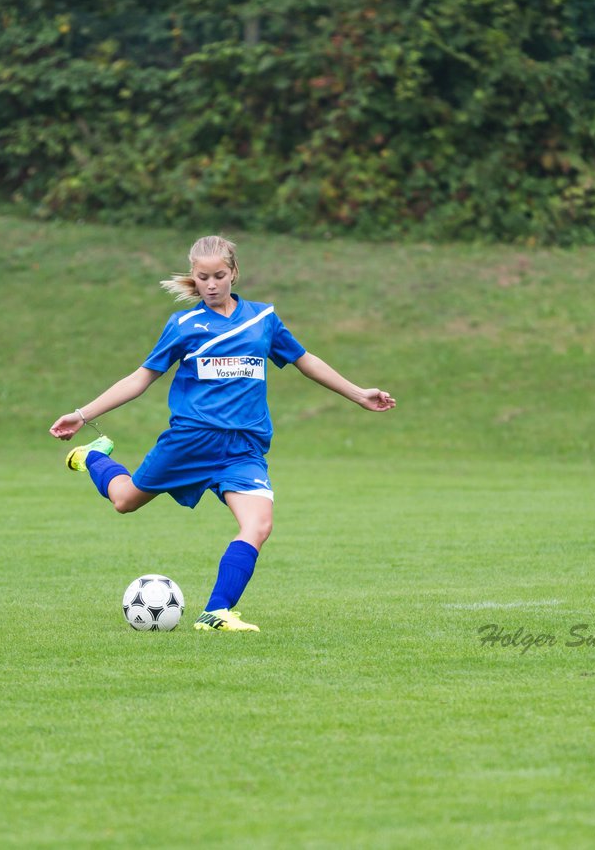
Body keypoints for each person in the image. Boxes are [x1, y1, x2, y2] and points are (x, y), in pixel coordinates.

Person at [50, 235, 395, 632]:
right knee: (125, 501)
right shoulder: (183, 325)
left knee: (259, 526)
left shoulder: (262, 319)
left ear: (234, 273)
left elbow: (305, 361)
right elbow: (140, 379)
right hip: (190, 442)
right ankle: (92, 456)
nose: (211, 285)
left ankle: (216, 612)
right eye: (202, 278)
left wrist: (358, 394)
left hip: (243, 449)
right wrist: (81, 413)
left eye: (219, 275)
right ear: (193, 279)